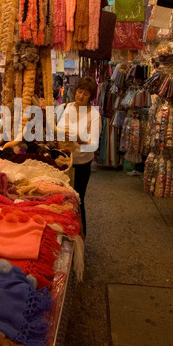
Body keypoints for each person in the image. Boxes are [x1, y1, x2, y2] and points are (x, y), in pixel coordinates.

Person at [56, 76, 101, 237]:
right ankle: (65, 234)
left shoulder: (94, 115)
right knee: (62, 200)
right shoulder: (66, 107)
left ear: (91, 97)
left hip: (82, 164)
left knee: (78, 200)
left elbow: (94, 143)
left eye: (86, 94)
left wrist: (79, 138)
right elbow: (56, 129)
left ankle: (81, 237)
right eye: (79, 91)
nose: (81, 96)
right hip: (63, 162)